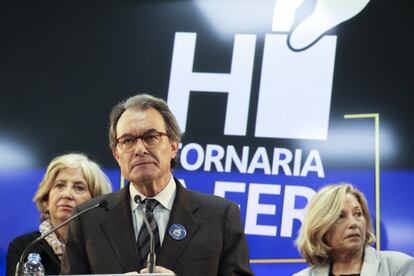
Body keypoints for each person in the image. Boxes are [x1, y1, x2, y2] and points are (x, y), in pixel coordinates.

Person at [61, 93, 253, 275]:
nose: (139, 149)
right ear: (117, 155)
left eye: (150, 137)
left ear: (173, 146)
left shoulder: (220, 216)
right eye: (127, 141)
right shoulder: (87, 219)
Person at [6, 153, 112, 276]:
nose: (67, 194)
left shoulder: (109, 249)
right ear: (46, 200)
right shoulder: (24, 248)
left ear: (95, 200)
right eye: (60, 185)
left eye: (79, 188)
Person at [294, 183, 414, 276]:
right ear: (320, 228)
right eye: (340, 216)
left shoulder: (399, 267)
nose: (353, 223)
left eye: (358, 214)